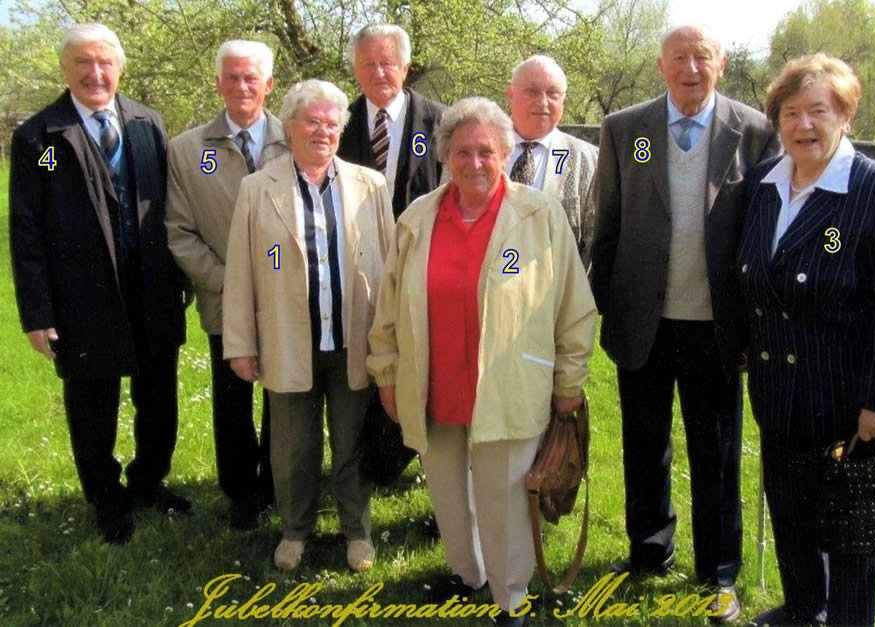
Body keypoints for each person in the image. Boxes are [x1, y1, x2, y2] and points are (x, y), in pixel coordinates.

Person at [367, 97, 596, 627]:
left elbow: (573, 306)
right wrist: (387, 370)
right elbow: (389, 301)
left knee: (504, 497)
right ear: (445, 155)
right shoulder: (418, 218)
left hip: (508, 383)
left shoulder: (539, 215)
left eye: (486, 151)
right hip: (436, 379)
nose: (475, 162)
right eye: (463, 151)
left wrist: (570, 380)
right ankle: (467, 573)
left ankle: (510, 595)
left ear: (505, 153)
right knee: (447, 490)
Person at [590, 24, 781, 621]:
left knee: (716, 452)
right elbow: (609, 226)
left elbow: (766, 234)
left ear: (721, 64)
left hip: (717, 327)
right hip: (642, 322)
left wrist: (757, 326)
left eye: (702, 57)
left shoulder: (753, 131)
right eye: (679, 58)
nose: (691, 67)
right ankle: (649, 552)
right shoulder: (628, 130)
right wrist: (597, 311)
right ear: (660, 66)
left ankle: (718, 569)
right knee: (645, 446)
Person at [738, 53, 875, 627]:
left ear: (845, 116)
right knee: (793, 524)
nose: (803, 125)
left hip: (855, 409)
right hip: (782, 397)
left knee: (852, 543)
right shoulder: (762, 186)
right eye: (790, 112)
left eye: (818, 111)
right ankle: (802, 612)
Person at [9, 23, 191, 545]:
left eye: (104, 62)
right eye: (82, 63)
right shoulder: (42, 141)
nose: (95, 73)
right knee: (93, 406)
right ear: (65, 69)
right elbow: (28, 228)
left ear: (120, 67)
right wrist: (37, 312)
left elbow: (171, 207)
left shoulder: (146, 124)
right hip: (83, 298)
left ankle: (148, 481)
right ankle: (106, 499)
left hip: (151, 290)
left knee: (158, 398)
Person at [222, 79, 394, 572]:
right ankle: (295, 530)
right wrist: (241, 343)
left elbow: (389, 265)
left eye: (332, 123)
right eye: (312, 122)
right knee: (292, 448)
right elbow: (243, 270)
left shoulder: (371, 184)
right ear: (290, 127)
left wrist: (391, 338)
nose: (323, 131)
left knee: (351, 444)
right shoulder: (258, 188)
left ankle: (356, 531)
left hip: (354, 339)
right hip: (287, 339)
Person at [166, 40, 289, 530]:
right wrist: (231, 283)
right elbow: (179, 232)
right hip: (223, 299)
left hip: (286, 298)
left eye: (251, 77)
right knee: (232, 399)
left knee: (284, 397)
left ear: (269, 84)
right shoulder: (187, 149)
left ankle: (279, 485)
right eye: (232, 77)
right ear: (217, 83)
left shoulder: (296, 138)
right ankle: (241, 493)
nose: (242, 86)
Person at [338, 23, 445, 219]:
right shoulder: (338, 126)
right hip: (358, 243)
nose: (378, 73)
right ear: (355, 71)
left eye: (387, 63)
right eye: (369, 64)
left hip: (420, 242)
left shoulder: (441, 122)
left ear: (404, 69)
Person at [506, 54, 598, 268]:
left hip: (554, 296)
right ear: (510, 94)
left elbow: (594, 246)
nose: (543, 102)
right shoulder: (476, 152)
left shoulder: (589, 161)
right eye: (532, 91)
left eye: (553, 94)